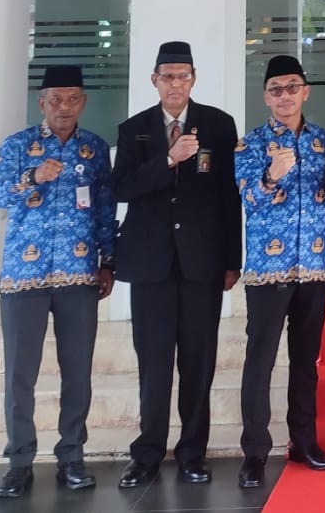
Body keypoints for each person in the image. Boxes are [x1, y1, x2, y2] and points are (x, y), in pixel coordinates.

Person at [112, 41, 242, 487]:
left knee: (198, 362)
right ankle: (147, 453)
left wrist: (232, 259)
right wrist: (169, 159)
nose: (175, 84)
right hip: (150, 265)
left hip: (201, 264)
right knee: (153, 363)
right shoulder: (134, 130)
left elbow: (229, 196)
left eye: (183, 75)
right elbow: (121, 188)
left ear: (193, 79)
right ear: (154, 80)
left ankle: (192, 453)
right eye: (167, 76)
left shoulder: (218, 125)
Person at [0, 65, 116, 498]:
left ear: (83, 102)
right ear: (41, 102)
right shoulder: (19, 145)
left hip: (78, 275)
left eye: (72, 98)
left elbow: (104, 208)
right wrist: (32, 177)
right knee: (20, 375)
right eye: (55, 99)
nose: (64, 107)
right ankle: (19, 462)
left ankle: (72, 456)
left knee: (77, 371)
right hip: (24, 278)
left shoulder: (94, 149)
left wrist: (108, 261)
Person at [234, 55, 325, 488]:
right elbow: (248, 198)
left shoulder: (321, 140)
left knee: (305, 361)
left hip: (314, 268)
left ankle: (304, 441)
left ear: (305, 92)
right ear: (266, 97)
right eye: (276, 89)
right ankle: (254, 452)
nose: (285, 96)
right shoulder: (250, 143)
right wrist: (271, 176)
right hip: (269, 270)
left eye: (292, 87)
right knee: (260, 361)